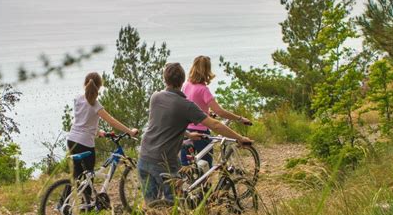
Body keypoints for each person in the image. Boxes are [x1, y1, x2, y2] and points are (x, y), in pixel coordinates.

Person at [138, 63, 253, 204]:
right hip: (164, 160)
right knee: (174, 205)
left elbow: (164, 124)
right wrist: (239, 138)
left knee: (152, 205)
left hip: (144, 156)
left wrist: (188, 135)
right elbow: (215, 125)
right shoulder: (186, 105)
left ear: (165, 79)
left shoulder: (155, 97)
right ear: (182, 80)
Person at [65, 72, 138, 197]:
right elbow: (112, 121)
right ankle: (87, 209)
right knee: (88, 177)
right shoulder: (96, 105)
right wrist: (130, 132)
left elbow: (83, 120)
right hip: (85, 143)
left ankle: (62, 203)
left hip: (72, 140)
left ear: (85, 84)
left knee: (76, 175)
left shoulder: (77, 99)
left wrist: (99, 132)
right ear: (99, 87)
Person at [180, 55, 251, 167]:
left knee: (186, 169)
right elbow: (220, 111)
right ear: (207, 70)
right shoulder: (203, 90)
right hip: (200, 134)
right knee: (206, 168)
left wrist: (207, 113)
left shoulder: (186, 85)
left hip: (186, 132)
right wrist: (239, 118)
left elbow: (192, 106)